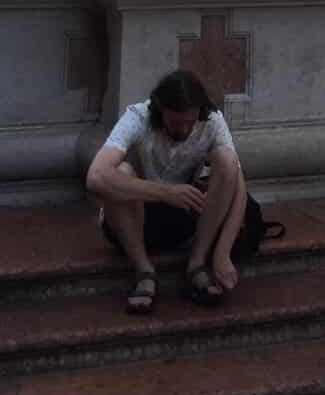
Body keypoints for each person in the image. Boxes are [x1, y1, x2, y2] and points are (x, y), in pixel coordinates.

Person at [86, 68, 261, 313]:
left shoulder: (211, 120)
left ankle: (197, 263)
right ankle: (144, 271)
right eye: (175, 123)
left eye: (189, 122)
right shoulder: (138, 116)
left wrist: (222, 252)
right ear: (160, 112)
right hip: (132, 220)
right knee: (120, 172)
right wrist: (165, 193)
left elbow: (237, 183)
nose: (184, 130)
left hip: (182, 219)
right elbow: (95, 176)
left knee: (227, 160)